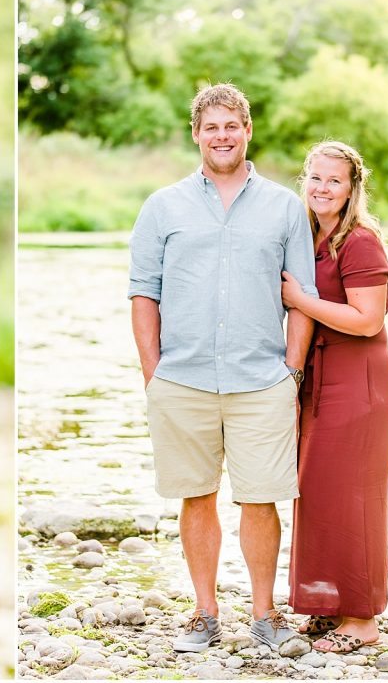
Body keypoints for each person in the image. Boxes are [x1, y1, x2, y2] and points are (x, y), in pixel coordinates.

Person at [128, 83, 317, 654]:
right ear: (196, 135)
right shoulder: (162, 207)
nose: (222, 136)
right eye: (211, 127)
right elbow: (143, 294)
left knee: (261, 499)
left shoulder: (285, 206)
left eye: (231, 125)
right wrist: (152, 373)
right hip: (181, 380)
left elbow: (301, 294)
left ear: (248, 130)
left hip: (262, 379)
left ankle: (264, 616)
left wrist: (292, 369)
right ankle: (204, 614)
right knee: (196, 496)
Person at [281, 140, 388, 653]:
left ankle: (362, 616)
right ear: (304, 181)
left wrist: (301, 299)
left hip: (359, 381)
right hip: (321, 378)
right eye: (316, 178)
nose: (323, 188)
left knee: (353, 494)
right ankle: (328, 604)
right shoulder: (307, 235)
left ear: (352, 189)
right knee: (318, 488)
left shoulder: (360, 241)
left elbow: (368, 318)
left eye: (335, 181)